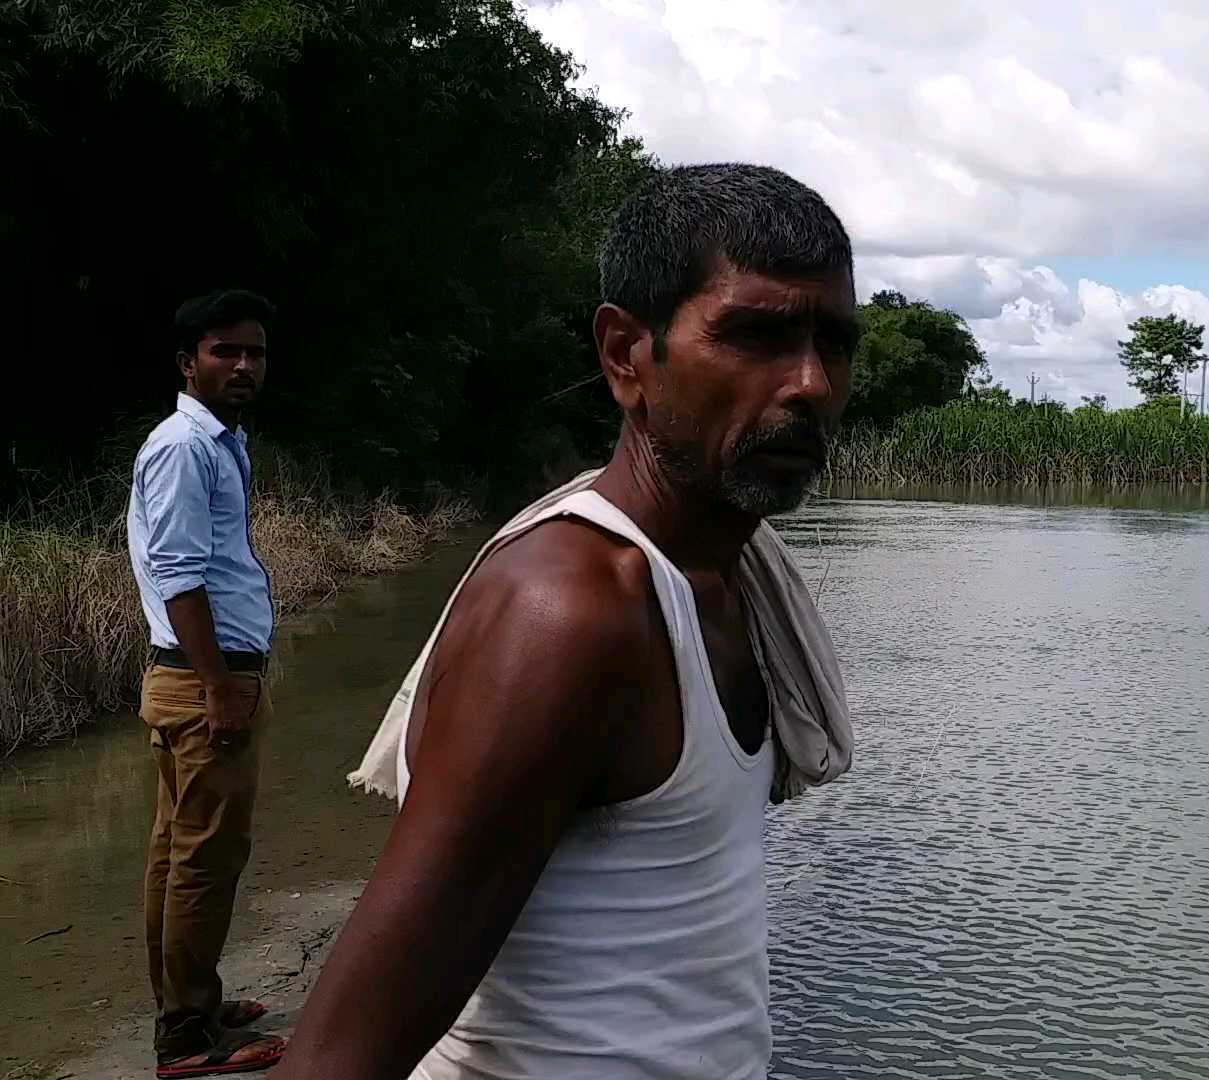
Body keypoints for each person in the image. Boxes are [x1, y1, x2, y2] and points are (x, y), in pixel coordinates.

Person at [277, 163, 859, 1080]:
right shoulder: (571, 614)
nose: (811, 384)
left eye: (835, 343)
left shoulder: (730, 574)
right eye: (756, 336)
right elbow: (340, 1056)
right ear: (627, 354)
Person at [128, 289, 290, 1077]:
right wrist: (221, 687)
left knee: (173, 852)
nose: (242, 365)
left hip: (187, 679)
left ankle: (186, 1000)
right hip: (204, 683)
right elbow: (181, 574)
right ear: (188, 361)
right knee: (206, 858)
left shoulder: (220, 442)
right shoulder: (186, 447)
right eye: (225, 351)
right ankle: (188, 1037)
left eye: (255, 351)